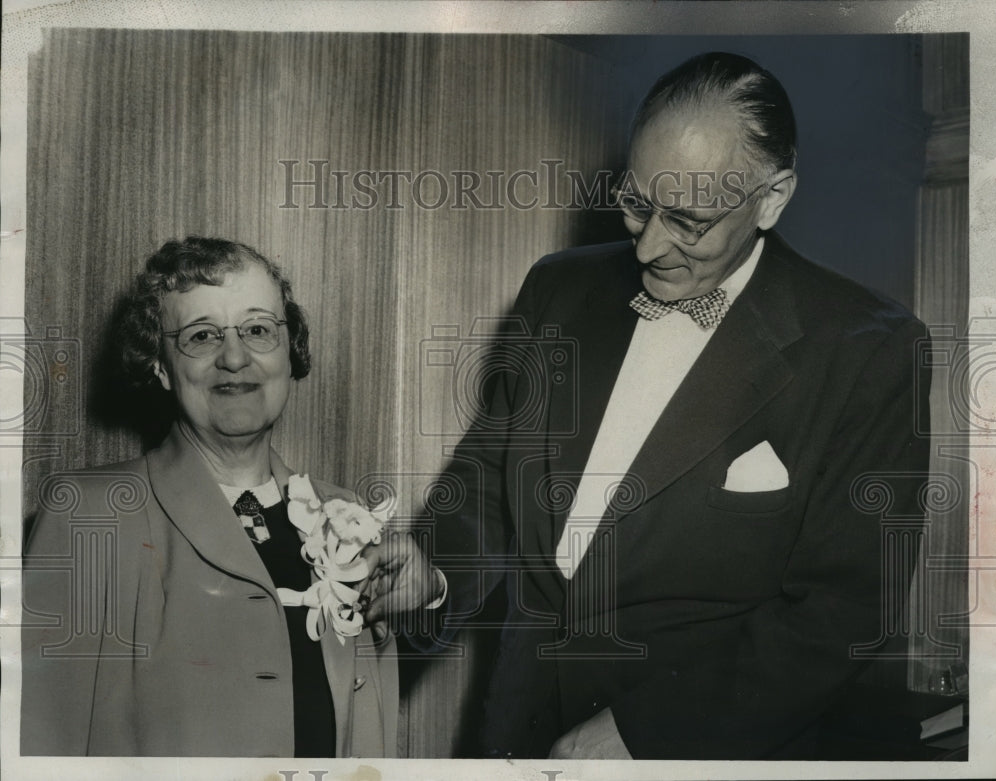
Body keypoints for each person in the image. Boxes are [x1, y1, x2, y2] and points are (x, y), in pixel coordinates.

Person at [364, 52, 931, 759]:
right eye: (636, 203)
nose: (651, 244)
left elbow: (843, 610)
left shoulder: (869, 350)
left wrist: (652, 730)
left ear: (774, 195)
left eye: (688, 221)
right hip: (518, 730)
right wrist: (433, 566)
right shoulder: (558, 291)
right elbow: (489, 471)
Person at [21, 237, 397, 757]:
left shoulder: (347, 518)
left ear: (291, 353)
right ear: (160, 365)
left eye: (259, 329)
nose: (235, 357)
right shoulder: (91, 514)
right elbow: (42, 743)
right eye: (201, 336)